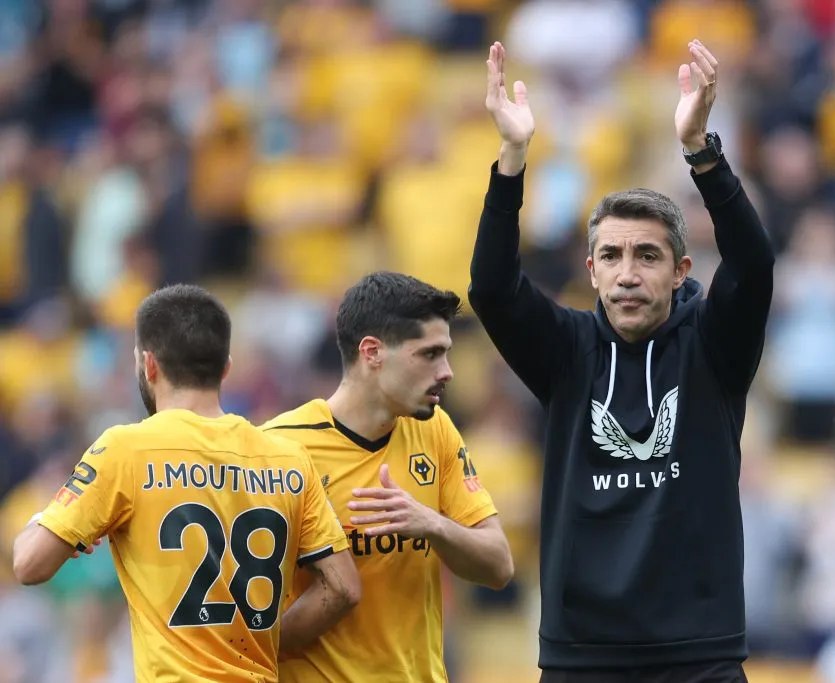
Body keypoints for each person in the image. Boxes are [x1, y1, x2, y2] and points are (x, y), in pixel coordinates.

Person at [469, 41, 775, 683]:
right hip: (583, 658)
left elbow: (753, 263)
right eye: (611, 257)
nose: (628, 274)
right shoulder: (566, 351)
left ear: (681, 270)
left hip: (700, 657)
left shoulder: (714, 348)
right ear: (591, 271)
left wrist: (699, 149)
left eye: (647, 256)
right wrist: (513, 157)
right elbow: (493, 290)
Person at [11, 283, 361, 682]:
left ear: (149, 365)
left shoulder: (127, 449)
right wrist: (269, 647)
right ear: (226, 367)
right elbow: (344, 587)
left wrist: (46, 520)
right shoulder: (289, 459)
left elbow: (29, 564)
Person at [261, 271, 514, 683]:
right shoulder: (279, 449)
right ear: (373, 352)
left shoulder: (435, 431)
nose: (448, 371)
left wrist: (431, 523)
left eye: (446, 353)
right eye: (429, 354)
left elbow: (498, 565)